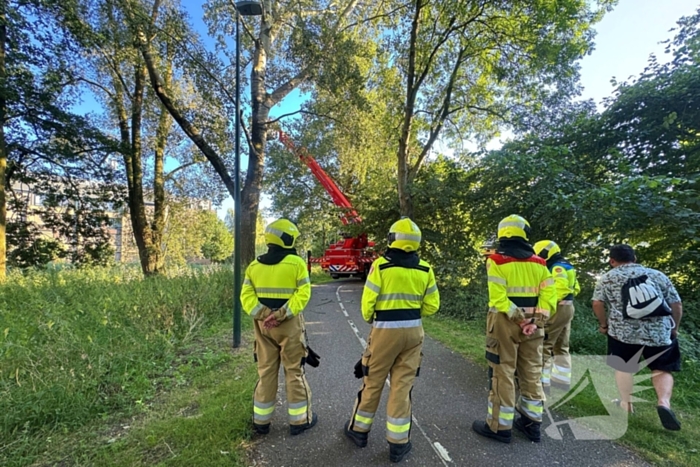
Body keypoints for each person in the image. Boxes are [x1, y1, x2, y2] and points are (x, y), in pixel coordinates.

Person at [344, 218, 440, 463]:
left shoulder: (380, 266)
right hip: (414, 332)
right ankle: (398, 444)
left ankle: (359, 431)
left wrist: (373, 319)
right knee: (402, 386)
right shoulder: (425, 269)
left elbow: (368, 304)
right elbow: (432, 305)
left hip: (385, 331)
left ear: (392, 240)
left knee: (373, 381)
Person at [472, 215, 556, 444]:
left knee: (503, 372)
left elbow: (498, 298)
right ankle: (532, 424)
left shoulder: (496, 261)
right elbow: (550, 295)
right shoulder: (540, 263)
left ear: (502, 234)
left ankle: (500, 426)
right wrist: (534, 321)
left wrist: (520, 319)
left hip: (505, 323)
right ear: (525, 233)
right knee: (531, 371)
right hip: (534, 327)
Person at [592, 244, 683, 431]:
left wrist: (603, 325)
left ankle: (626, 404)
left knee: (624, 367)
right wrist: (674, 327)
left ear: (612, 260)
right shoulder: (656, 275)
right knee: (662, 367)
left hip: (623, 333)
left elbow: (597, 303)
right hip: (658, 331)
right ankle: (663, 403)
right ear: (634, 258)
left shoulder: (608, 278)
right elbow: (676, 304)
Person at [240, 218, 317, 436]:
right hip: (289, 326)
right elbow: (303, 294)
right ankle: (299, 421)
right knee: (294, 371)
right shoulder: (296, 264)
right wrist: (281, 314)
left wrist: (264, 315)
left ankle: (261, 422)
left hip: (263, 327)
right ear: (287, 239)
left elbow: (246, 297)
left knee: (266, 371)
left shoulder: (254, 266)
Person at [533, 240, 580, 393]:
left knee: (545, 343)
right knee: (562, 346)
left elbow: (560, 287)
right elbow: (576, 288)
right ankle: (561, 381)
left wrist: (549, 303)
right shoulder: (567, 265)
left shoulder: (556, 267)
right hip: (568, 308)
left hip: (557, 308)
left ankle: (542, 383)